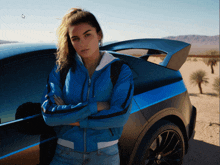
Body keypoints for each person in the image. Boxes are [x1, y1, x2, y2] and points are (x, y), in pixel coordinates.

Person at [41, 8, 134, 165]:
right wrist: (96, 106)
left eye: (87, 35)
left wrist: (71, 118)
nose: (82, 43)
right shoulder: (61, 70)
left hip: (105, 155)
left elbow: (120, 115)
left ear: (99, 34)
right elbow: (49, 114)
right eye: (75, 38)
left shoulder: (119, 70)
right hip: (65, 154)